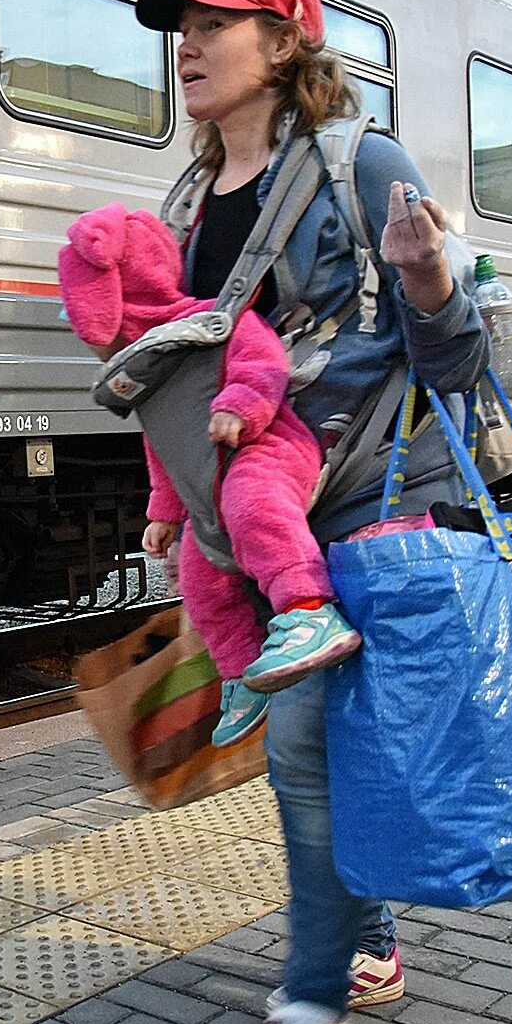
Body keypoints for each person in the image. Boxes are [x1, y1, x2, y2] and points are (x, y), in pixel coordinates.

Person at [130, 0, 488, 1024]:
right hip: (249, 510)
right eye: (176, 26)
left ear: (282, 43)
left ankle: (311, 1004)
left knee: (297, 748)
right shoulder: (183, 202)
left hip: (370, 491)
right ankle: (370, 937)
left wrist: (432, 284)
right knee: (313, 747)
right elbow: (185, 371)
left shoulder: (358, 163)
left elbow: (451, 359)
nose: (185, 43)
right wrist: (170, 499)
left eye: (210, 25)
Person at [56, 203, 361, 748]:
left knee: (253, 506)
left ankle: (308, 610)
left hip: (266, 449)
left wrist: (241, 404)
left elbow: (262, 358)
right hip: (204, 486)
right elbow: (165, 444)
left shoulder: (207, 322)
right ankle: (244, 674)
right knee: (200, 580)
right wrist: (165, 513)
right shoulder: (144, 366)